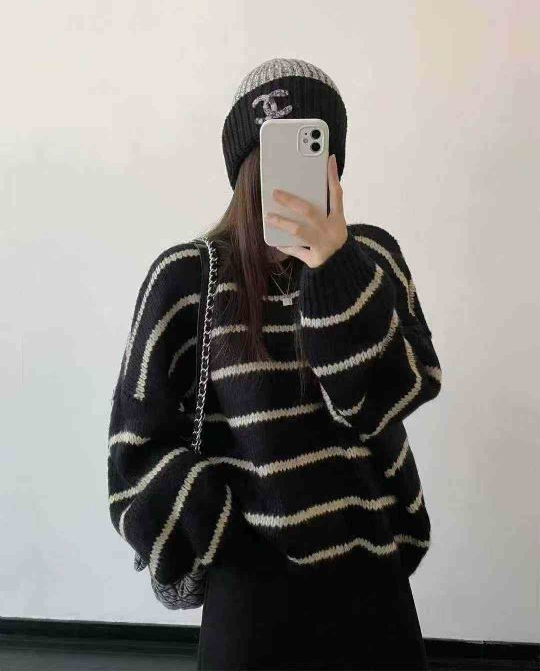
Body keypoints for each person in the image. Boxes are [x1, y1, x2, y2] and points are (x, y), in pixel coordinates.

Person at [107, 58, 442, 670]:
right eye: (272, 151)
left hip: (373, 573)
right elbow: (136, 448)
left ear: (334, 161)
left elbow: (390, 399)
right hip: (251, 592)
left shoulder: (373, 259)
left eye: (312, 146)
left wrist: (335, 269)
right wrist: (222, 533)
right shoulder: (187, 278)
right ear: (244, 164)